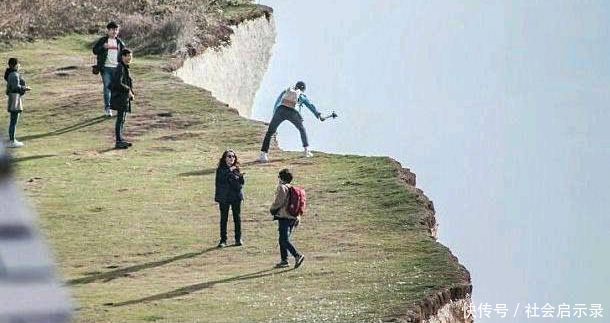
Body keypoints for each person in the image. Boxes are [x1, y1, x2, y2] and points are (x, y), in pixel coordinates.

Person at [257, 81, 326, 162]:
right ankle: (306, 150)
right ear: (303, 89)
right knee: (301, 129)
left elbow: (277, 102)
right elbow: (310, 105)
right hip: (293, 112)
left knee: (269, 132)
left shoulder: (287, 91)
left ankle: (263, 155)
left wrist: (274, 114)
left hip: (280, 110)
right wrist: (318, 115)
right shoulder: (301, 95)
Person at [270, 168, 305, 269]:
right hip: (293, 217)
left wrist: (272, 209)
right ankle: (284, 260)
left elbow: (278, 202)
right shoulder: (294, 189)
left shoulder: (282, 187)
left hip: (284, 217)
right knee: (282, 239)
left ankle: (297, 255)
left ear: (281, 178)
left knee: (284, 239)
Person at [93, 21, 126, 117]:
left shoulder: (120, 42)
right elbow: (95, 51)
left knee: (118, 89)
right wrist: (103, 47)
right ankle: (108, 109)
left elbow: (125, 55)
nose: (114, 31)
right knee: (107, 88)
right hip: (106, 69)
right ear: (108, 31)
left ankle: (118, 108)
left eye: (116, 30)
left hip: (117, 69)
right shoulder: (103, 41)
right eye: (112, 30)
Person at [214, 150, 245, 248]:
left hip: (235, 197)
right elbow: (221, 180)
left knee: (237, 218)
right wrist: (230, 171)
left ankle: (238, 239)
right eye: (229, 156)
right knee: (224, 219)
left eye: (233, 157)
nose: (232, 158)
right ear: (225, 158)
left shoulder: (236, 169)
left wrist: (240, 177)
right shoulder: (220, 170)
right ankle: (223, 240)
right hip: (224, 198)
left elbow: (240, 183)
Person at [110, 49, 134, 149]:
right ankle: (118, 141)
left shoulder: (124, 67)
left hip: (123, 97)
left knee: (122, 119)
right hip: (120, 97)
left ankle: (120, 139)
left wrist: (131, 92)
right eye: (127, 56)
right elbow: (117, 83)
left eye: (130, 56)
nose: (129, 58)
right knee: (120, 119)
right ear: (122, 56)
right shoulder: (120, 67)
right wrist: (128, 90)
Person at [4, 58, 30, 148]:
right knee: (14, 120)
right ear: (14, 65)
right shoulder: (14, 75)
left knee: (12, 120)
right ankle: (12, 140)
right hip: (15, 98)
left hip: (12, 98)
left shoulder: (10, 74)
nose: (19, 66)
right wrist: (24, 88)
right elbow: (16, 87)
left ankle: (11, 139)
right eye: (18, 64)